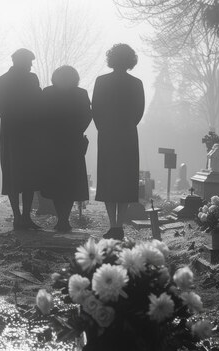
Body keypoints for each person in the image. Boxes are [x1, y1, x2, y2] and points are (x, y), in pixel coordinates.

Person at [92, 44, 145, 240]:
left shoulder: (101, 81)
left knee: (109, 179)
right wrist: (128, 125)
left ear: (111, 59)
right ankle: (119, 225)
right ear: (131, 60)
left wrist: (104, 127)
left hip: (107, 134)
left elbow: (95, 108)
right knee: (125, 179)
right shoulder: (136, 83)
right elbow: (139, 111)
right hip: (128, 134)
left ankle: (113, 225)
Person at [0, 48, 43, 230]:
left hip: (15, 132)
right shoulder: (26, 80)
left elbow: (2, 110)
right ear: (20, 62)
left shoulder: (3, 81)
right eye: (29, 62)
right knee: (21, 174)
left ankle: (20, 216)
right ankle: (22, 216)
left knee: (18, 174)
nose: (31, 66)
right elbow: (38, 102)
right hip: (22, 132)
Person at [40, 66, 92, 232]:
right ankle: (64, 219)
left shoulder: (48, 93)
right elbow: (87, 115)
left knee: (58, 182)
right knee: (70, 182)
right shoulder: (80, 94)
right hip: (72, 142)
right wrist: (77, 130)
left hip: (53, 143)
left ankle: (61, 219)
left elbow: (41, 115)